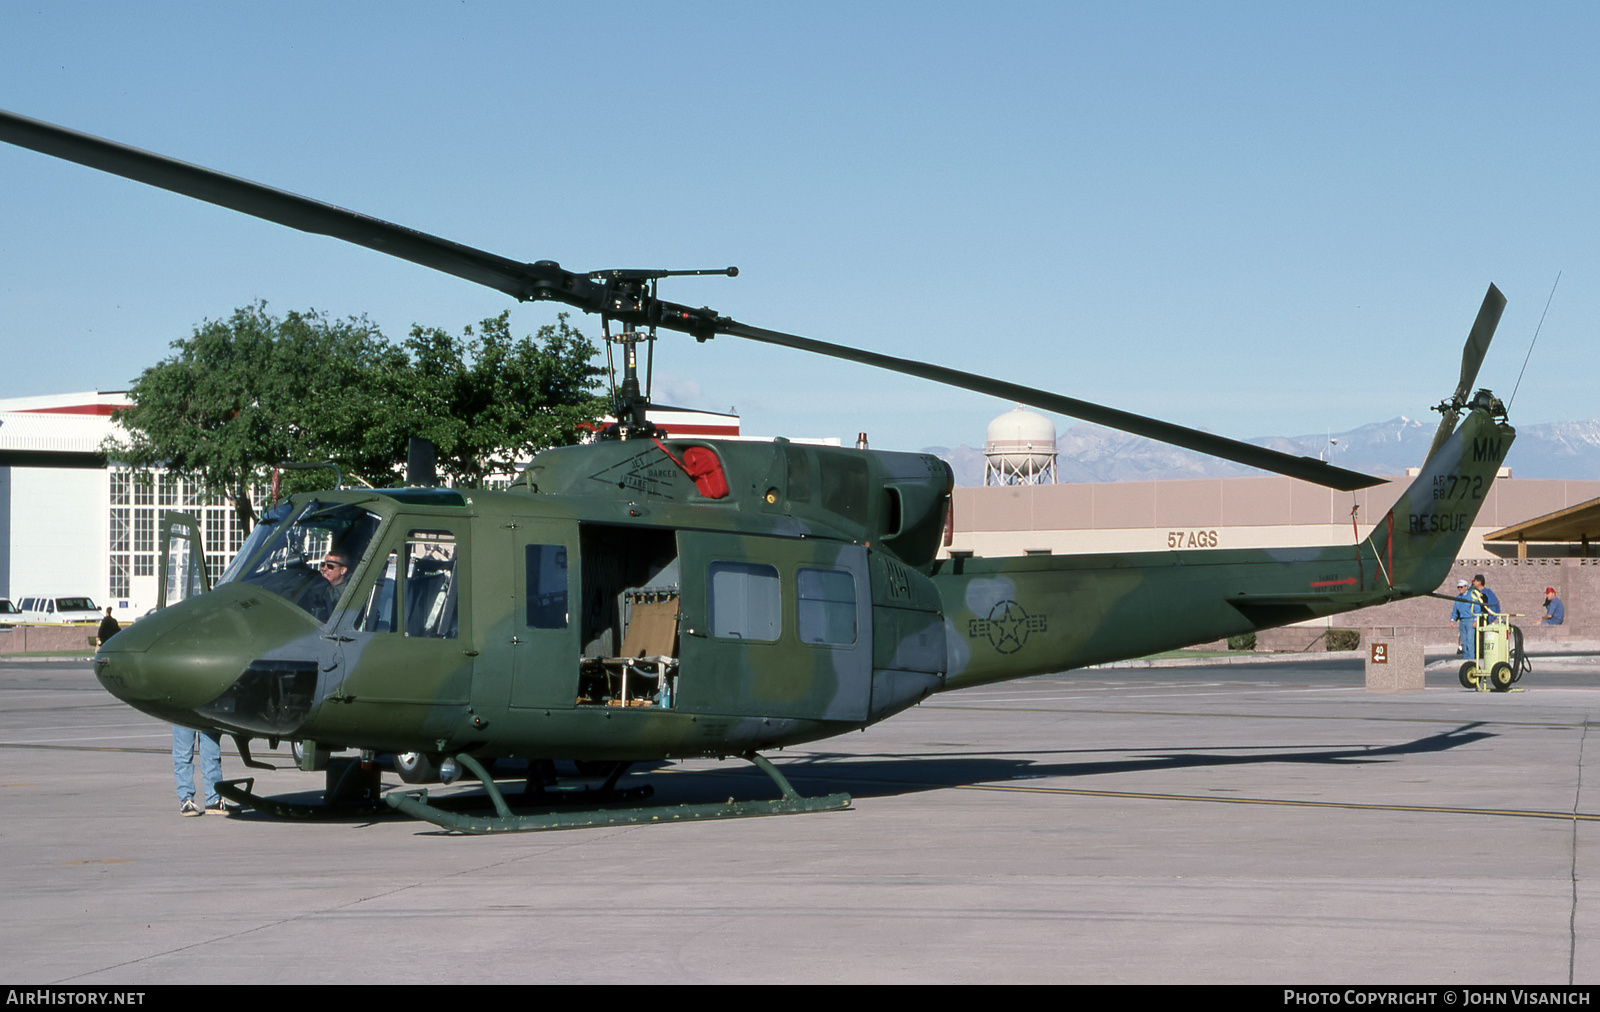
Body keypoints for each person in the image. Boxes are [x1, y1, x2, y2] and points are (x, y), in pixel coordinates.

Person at [173, 725, 226, 816]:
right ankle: (186, 800)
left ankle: (214, 799)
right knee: (183, 753)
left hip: (206, 713)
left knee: (211, 753)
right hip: (184, 713)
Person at [301, 549, 353, 622]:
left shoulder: (349, 592)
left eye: (330, 566)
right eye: (322, 564)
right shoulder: (317, 587)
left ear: (343, 570)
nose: (324, 569)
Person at [1450, 579, 1475, 657]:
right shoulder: (1458, 598)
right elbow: (1455, 610)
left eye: (1461, 587)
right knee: (1464, 641)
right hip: (1462, 620)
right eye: (1458, 587)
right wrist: (1452, 620)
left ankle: (1471, 659)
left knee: (1470, 640)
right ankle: (1466, 658)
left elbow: (1476, 608)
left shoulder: (1471, 596)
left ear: (1466, 587)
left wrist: (1476, 620)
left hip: (1470, 619)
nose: (1460, 589)